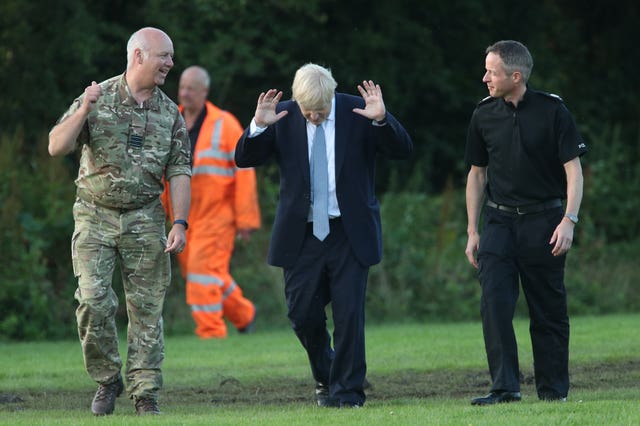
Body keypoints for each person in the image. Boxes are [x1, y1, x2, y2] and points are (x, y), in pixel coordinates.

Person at [235, 63, 412, 408]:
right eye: (308, 111)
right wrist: (257, 126)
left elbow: (402, 150)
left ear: (332, 96)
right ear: (296, 102)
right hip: (301, 234)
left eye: (321, 111)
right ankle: (326, 374)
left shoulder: (359, 110)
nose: (314, 117)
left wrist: (381, 120)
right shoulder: (281, 114)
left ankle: (347, 394)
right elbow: (244, 159)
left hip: (349, 231)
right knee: (302, 313)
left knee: (349, 315)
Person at [48, 27, 191, 416]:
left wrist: (180, 223)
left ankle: (145, 393)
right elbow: (56, 146)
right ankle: (108, 379)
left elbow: (179, 169)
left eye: (171, 57)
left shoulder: (170, 112)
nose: (170, 64)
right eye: (163, 55)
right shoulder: (98, 97)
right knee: (93, 301)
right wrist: (83, 109)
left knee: (147, 309)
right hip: (94, 215)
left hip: (146, 217)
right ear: (138, 56)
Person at [464, 40, 587, 405]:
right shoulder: (482, 114)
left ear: (515, 76)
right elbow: (476, 174)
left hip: (545, 222)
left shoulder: (554, 111)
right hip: (498, 223)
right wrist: (472, 230)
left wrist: (569, 219)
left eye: (492, 71)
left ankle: (553, 391)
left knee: (548, 309)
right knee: (494, 304)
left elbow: (574, 172)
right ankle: (505, 387)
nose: (485, 77)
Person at [161, 66, 261, 338]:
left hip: (218, 217)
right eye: (181, 87)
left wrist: (245, 218)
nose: (184, 93)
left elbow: (244, 170)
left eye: (190, 88)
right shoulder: (171, 120)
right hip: (183, 218)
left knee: (201, 274)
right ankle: (245, 314)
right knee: (208, 274)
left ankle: (211, 334)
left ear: (204, 92)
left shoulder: (225, 124)